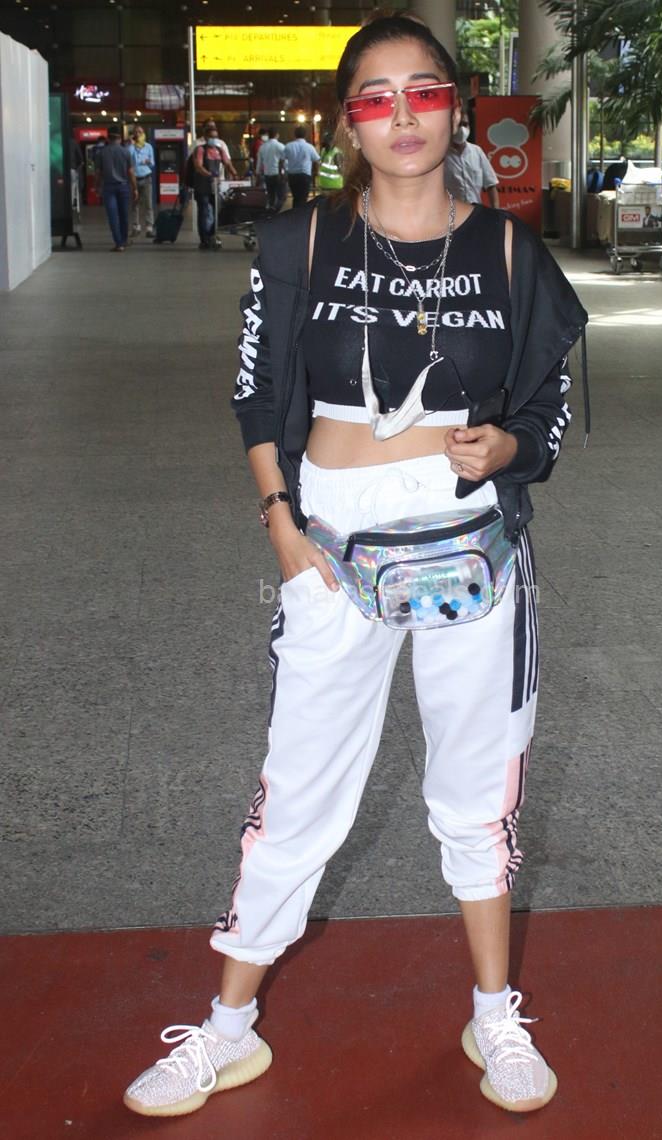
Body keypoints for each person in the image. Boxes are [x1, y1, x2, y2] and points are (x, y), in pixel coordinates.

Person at [123, 13, 586, 1121]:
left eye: (423, 92)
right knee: (298, 787)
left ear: (456, 108)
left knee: (476, 787)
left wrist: (507, 447)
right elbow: (255, 393)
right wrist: (281, 524)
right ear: (347, 124)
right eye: (376, 99)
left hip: (471, 546)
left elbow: (549, 405)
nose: (403, 117)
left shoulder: (510, 251)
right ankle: (228, 1029)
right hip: (328, 544)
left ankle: (492, 1011)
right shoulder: (300, 243)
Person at [193, 121, 237, 249]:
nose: (214, 139)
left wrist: (235, 174)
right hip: (202, 186)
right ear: (206, 137)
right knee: (204, 211)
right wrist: (209, 175)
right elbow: (198, 166)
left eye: (215, 137)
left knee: (218, 210)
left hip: (215, 186)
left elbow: (227, 163)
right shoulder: (200, 149)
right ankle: (204, 239)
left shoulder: (219, 150)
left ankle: (212, 233)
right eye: (211, 137)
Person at [95, 127, 137, 251]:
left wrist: (97, 186)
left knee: (113, 216)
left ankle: (119, 244)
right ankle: (124, 240)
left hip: (108, 187)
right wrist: (135, 188)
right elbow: (131, 172)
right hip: (124, 186)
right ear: (119, 138)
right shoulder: (126, 152)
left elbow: (98, 172)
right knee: (124, 215)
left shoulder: (101, 153)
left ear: (108, 138)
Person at [445, 114, 499, 207]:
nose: (462, 129)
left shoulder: (477, 151)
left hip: (475, 210)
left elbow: (491, 185)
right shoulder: (441, 155)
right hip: (451, 211)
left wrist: (496, 212)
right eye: (458, 124)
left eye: (465, 124)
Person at [283, 125, 320, 207]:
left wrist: (283, 172)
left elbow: (282, 160)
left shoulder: (289, 146)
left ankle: (294, 212)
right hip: (305, 176)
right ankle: (301, 213)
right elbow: (317, 160)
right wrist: (316, 172)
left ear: (294, 134)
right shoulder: (309, 147)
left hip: (292, 175)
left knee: (295, 197)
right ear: (305, 135)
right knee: (303, 198)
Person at [129, 124, 155, 238]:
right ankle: (136, 227)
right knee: (135, 204)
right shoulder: (131, 147)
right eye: (136, 132)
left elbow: (152, 163)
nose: (138, 134)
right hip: (134, 178)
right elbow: (128, 159)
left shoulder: (148, 147)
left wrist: (148, 161)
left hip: (146, 177)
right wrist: (132, 145)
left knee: (148, 203)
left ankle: (149, 228)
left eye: (140, 132)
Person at [255, 126, 287, 211]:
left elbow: (259, 163)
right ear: (277, 135)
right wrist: (286, 172)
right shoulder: (280, 146)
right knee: (282, 196)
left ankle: (272, 211)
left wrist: (257, 174)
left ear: (268, 135)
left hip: (267, 174)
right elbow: (285, 161)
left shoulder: (262, 147)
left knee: (271, 196)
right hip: (278, 174)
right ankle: (276, 211)